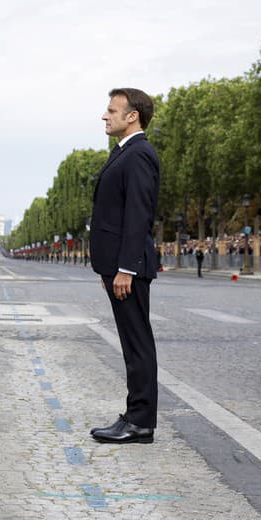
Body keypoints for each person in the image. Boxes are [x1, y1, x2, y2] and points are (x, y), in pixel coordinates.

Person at [89, 88, 160, 444]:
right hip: (118, 265)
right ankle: (136, 416)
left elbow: (137, 214)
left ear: (132, 116)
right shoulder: (126, 153)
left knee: (137, 345)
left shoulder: (138, 154)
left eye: (112, 110)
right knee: (133, 344)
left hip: (129, 267)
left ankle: (140, 422)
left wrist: (126, 269)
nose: (105, 116)